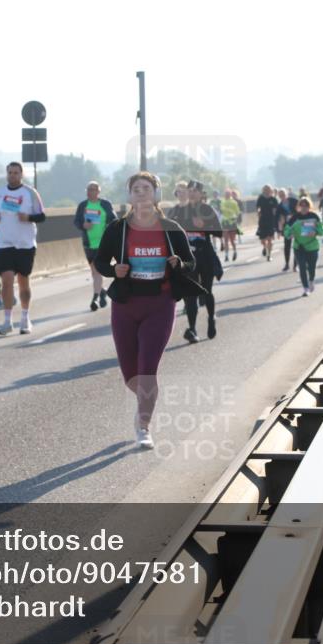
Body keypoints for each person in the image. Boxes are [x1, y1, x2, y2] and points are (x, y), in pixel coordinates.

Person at [94, 172, 202, 448]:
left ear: (156, 194)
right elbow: (100, 262)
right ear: (129, 195)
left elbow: (191, 263)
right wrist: (113, 270)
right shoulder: (117, 229)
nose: (141, 192)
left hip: (160, 304)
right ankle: (145, 401)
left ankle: (144, 426)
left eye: (146, 188)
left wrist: (179, 263)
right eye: (136, 189)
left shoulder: (171, 228)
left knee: (147, 368)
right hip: (125, 306)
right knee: (130, 373)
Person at [0, 162, 46, 335]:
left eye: (16, 173)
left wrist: (29, 217)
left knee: (23, 281)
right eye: (10, 172)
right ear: (6, 174)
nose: (13, 175)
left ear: (21, 175)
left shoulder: (30, 193)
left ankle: (25, 318)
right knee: (6, 282)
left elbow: (42, 216)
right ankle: (7, 321)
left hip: (25, 243)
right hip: (4, 242)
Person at [177, 180, 223, 343]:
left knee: (207, 290)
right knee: (190, 295)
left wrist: (205, 225)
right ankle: (193, 329)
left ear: (201, 193)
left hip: (205, 255)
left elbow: (219, 233)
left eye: (195, 190)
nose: (192, 193)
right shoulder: (182, 210)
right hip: (189, 257)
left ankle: (211, 318)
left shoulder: (207, 209)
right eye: (189, 190)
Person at [72, 181, 116, 311]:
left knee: (97, 270)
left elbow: (114, 220)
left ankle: (95, 298)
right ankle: (101, 291)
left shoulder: (105, 204)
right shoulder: (83, 205)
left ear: (99, 191)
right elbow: (77, 221)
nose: (91, 191)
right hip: (88, 243)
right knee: (94, 271)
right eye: (89, 189)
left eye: (94, 189)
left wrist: (108, 229)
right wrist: (83, 225)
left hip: (103, 244)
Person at [287, 197, 323, 296]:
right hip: (299, 247)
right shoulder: (294, 218)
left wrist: (315, 232)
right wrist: (289, 234)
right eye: (301, 205)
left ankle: (311, 280)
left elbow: (322, 231)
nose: (303, 207)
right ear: (298, 206)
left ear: (309, 206)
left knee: (312, 268)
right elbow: (287, 230)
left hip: (312, 246)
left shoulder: (314, 216)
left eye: (306, 205)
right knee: (302, 267)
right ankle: (305, 288)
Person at [255, 185, 280, 261]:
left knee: (270, 239)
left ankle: (269, 255)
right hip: (262, 220)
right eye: (265, 189)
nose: (267, 191)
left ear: (270, 190)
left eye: (268, 189)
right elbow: (258, 207)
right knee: (262, 240)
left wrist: (276, 219)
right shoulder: (261, 198)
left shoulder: (273, 199)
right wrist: (258, 212)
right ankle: (265, 247)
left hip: (271, 221)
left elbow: (276, 210)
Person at [277, 188, 299, 272]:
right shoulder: (279, 205)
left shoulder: (294, 201)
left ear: (286, 194)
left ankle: (295, 265)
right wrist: (278, 230)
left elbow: (301, 208)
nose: (282, 196)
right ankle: (286, 264)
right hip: (287, 227)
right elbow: (277, 218)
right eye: (280, 195)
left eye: (283, 194)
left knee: (296, 245)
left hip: (297, 225)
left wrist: (295, 214)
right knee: (287, 246)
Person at [219, 189, 241, 261]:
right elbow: (221, 211)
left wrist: (235, 219)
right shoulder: (222, 202)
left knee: (232, 240)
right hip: (225, 222)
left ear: (230, 195)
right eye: (225, 194)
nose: (226, 195)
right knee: (225, 240)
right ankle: (226, 255)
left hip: (232, 222)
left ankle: (234, 251)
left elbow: (237, 212)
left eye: (228, 194)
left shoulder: (234, 202)